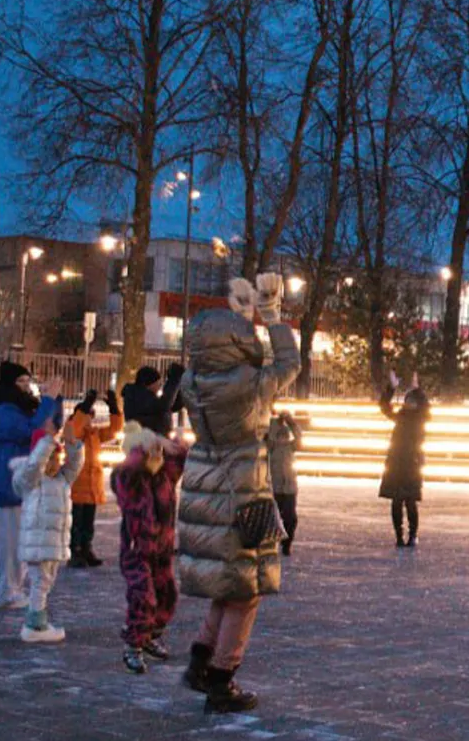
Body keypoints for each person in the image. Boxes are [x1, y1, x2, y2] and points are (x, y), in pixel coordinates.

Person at [177, 274, 299, 714]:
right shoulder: (248, 384)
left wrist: (243, 316)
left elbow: (227, 352)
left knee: (227, 585)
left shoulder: (192, 381)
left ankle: (199, 660)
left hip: (205, 484)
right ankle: (221, 678)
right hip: (241, 490)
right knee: (245, 591)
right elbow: (289, 364)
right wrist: (271, 317)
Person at [0, 362, 61, 610]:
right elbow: (32, 430)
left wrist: (54, 399)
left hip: (20, 482)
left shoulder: (20, 407)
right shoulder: (4, 410)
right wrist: (48, 400)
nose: (27, 387)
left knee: (20, 542)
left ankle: (9, 590)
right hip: (7, 484)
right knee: (11, 544)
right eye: (21, 382)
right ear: (9, 384)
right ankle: (4, 592)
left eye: (29, 381)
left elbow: (48, 426)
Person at [113, 422, 189, 674]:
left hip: (162, 550)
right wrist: (146, 444)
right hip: (137, 551)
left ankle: (151, 635)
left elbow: (182, 461)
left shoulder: (162, 477)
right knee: (142, 596)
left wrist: (175, 444)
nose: (158, 456)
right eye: (152, 453)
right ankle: (133, 644)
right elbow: (131, 465)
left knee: (167, 594)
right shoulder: (127, 477)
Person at [12, 420, 84, 643]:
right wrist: (47, 442)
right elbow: (34, 467)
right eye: (51, 459)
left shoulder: (61, 479)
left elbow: (75, 465)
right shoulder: (31, 480)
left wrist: (72, 444)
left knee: (45, 582)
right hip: (37, 543)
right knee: (40, 582)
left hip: (53, 544)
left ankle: (37, 621)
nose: (55, 463)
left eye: (57, 459)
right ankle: (35, 625)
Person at [68, 389, 123, 568]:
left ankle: (86, 548)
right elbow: (76, 428)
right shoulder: (72, 431)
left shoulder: (94, 434)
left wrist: (114, 409)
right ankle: (75, 551)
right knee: (76, 522)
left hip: (91, 485)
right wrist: (86, 404)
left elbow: (115, 430)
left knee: (88, 522)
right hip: (77, 484)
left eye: (92, 415)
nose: (91, 419)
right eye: (88, 415)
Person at [379, 375, 428, 549]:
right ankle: (399, 535)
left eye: (412, 401)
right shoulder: (401, 416)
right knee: (397, 501)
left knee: (410, 501)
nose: (409, 404)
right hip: (397, 464)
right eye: (408, 400)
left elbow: (425, 407)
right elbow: (384, 406)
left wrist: (416, 389)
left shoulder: (420, 418)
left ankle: (412, 534)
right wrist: (391, 388)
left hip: (411, 464)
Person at [267, 411, 302, 556]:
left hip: (289, 488)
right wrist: (277, 422)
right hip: (275, 488)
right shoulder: (270, 447)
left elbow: (298, 435)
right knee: (274, 518)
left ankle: (286, 543)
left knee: (290, 518)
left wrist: (290, 421)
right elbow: (269, 435)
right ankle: (274, 543)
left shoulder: (291, 447)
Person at [122, 362, 186, 436]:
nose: (160, 385)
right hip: (144, 439)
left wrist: (178, 390)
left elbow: (171, 407)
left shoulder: (145, 396)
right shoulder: (137, 396)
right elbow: (164, 405)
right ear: (149, 383)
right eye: (157, 383)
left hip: (152, 438)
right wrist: (173, 381)